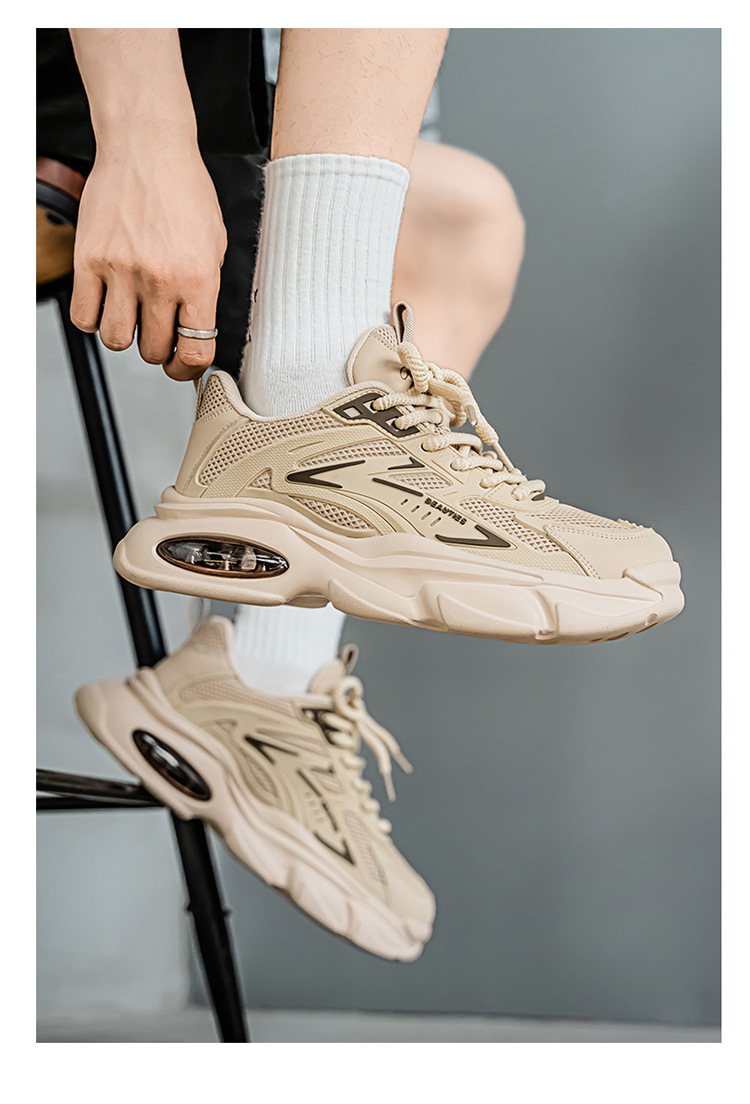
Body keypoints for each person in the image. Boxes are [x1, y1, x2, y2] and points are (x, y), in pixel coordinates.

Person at [43, 29, 683, 959]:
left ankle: (258, 684)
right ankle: (307, 428)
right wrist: (144, 142)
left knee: (464, 220)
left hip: (196, 81)